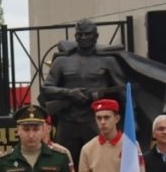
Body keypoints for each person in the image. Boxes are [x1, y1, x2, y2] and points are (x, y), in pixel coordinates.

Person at [38, 18, 126, 154]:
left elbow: (122, 91)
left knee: (99, 161)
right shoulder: (62, 61)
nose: (83, 37)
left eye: (87, 34)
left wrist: (133, 120)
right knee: (64, 161)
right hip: (68, 121)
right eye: (80, 34)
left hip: (95, 121)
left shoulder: (108, 60)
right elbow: (46, 88)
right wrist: (69, 93)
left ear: (96, 36)